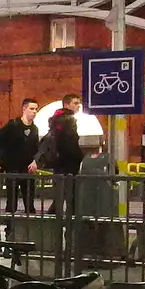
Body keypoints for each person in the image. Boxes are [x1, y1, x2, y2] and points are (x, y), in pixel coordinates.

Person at [0, 98, 41, 215]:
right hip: (13, 169)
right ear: (24, 109)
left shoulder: (35, 130)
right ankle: (10, 229)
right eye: (31, 109)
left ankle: (29, 229)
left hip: (28, 170)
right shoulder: (13, 125)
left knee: (29, 203)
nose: (34, 111)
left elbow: (36, 149)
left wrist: (36, 161)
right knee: (11, 203)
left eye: (36, 109)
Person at [38, 94, 87, 228]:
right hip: (69, 163)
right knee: (71, 194)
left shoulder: (56, 119)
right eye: (75, 103)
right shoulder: (69, 120)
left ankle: (53, 220)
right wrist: (81, 158)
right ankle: (71, 224)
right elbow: (70, 143)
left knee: (61, 193)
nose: (78, 105)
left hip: (58, 162)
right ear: (66, 105)